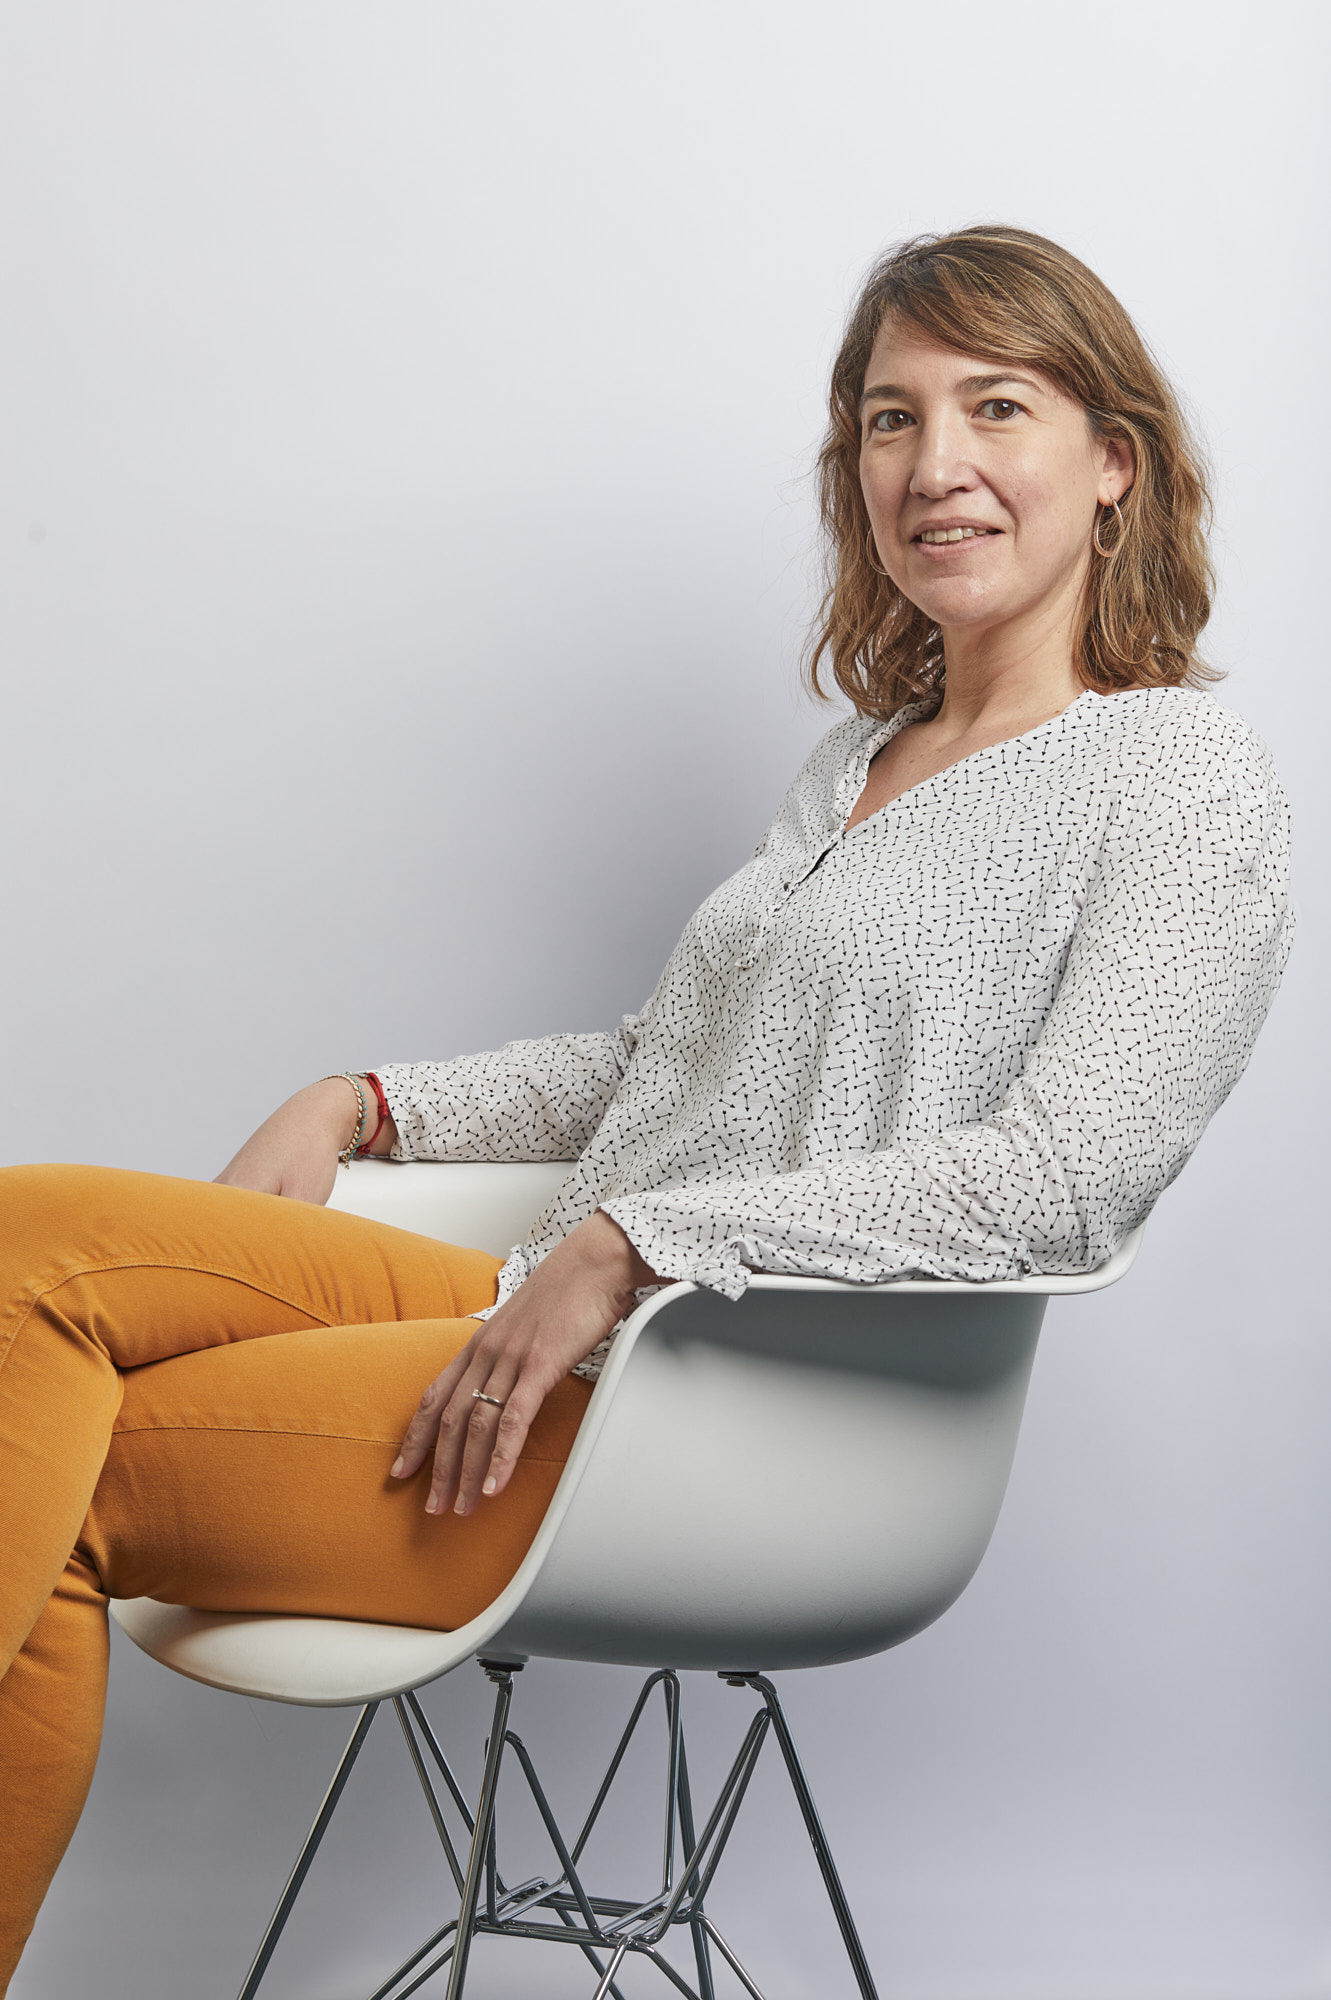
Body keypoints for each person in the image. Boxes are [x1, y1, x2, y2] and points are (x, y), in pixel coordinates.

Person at [0, 225, 1293, 1989]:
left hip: (708, 1403)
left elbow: (1067, 1179)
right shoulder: (861, 758)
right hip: (536, 1304)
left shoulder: (1181, 777)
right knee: (26, 1247)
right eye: (891, 418)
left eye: (998, 406)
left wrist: (641, 1244)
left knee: (57, 1469)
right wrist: (367, 1104)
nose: (937, 464)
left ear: (1114, 460)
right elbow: (665, 1065)